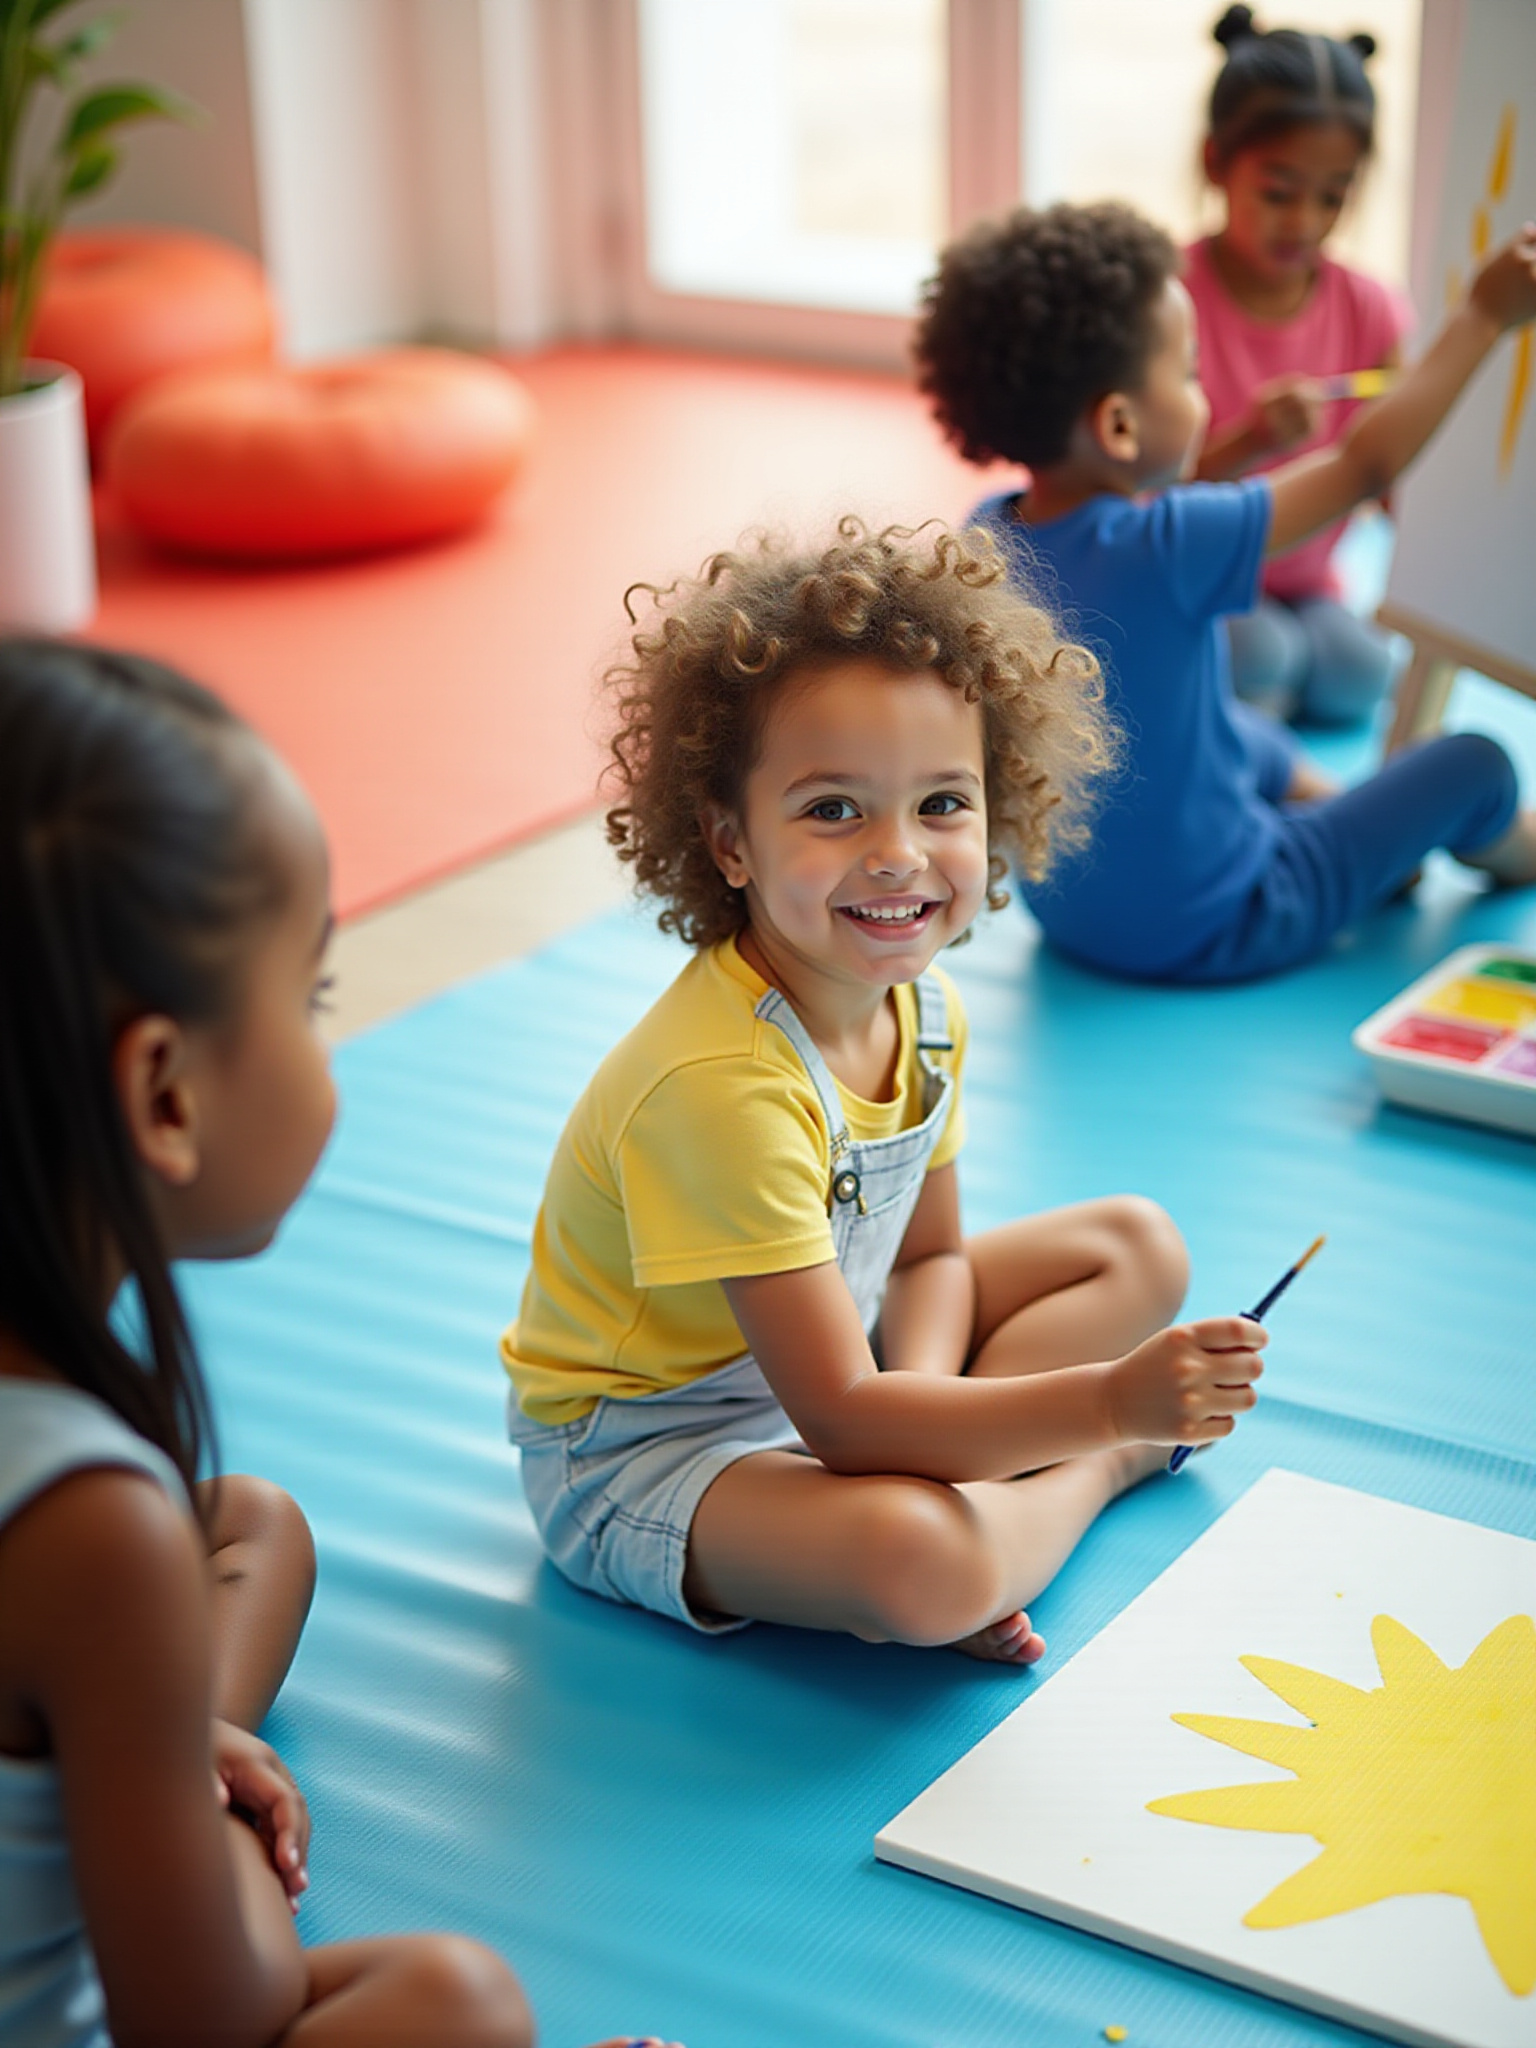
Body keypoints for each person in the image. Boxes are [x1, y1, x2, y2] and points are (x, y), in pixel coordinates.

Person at [0, 639, 678, 2048]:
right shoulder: (86, 1528)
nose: (326, 1040)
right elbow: (207, 2018)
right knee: (457, 2003)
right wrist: (190, 1801)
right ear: (164, 1095)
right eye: (313, 998)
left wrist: (158, 1732)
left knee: (250, 1522)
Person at [501, 519, 1266, 1661]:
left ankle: (984, 1484)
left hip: (834, 1364)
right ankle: (1071, 1488)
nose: (900, 853)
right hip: (650, 1447)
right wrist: (1106, 1413)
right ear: (729, 842)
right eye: (832, 808)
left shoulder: (926, 1008)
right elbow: (846, 1418)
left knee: (1134, 1244)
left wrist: (927, 1416)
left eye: (942, 804)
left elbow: (925, 1260)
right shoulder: (722, 1088)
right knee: (925, 1562)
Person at [914, 202, 1536, 984]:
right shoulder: (1169, 546)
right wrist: (1482, 316)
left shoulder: (987, 537)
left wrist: (1248, 446)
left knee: (1223, 722)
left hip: (1071, 913)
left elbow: (1137, 548)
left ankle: (1346, 826)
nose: (1203, 391)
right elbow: (1363, 467)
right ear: (1117, 425)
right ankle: (1516, 850)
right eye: (1188, 372)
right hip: (1229, 917)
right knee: (1476, 764)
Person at [1188, 6, 1410, 725]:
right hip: (1201, 577)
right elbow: (1135, 496)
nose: (1305, 222)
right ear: (1217, 163)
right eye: (1278, 193)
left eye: (1333, 197)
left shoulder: (1370, 309)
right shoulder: (1169, 301)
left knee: (1366, 673)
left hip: (1311, 581)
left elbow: (1394, 476)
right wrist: (1250, 442)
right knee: (1265, 659)